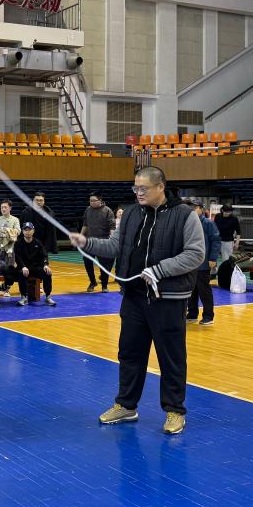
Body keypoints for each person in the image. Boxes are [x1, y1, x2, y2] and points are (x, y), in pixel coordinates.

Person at [70, 166, 204, 435]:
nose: (138, 193)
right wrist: (87, 243)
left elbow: (195, 254)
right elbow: (115, 246)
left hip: (167, 299)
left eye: (144, 188)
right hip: (133, 297)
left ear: (160, 187)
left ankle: (175, 410)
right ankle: (126, 405)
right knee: (130, 354)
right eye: (135, 188)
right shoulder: (130, 214)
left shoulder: (185, 215)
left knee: (171, 358)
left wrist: (159, 270)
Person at [185, 199, 220, 325]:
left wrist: (213, 258)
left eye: (195, 207)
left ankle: (208, 316)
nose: (192, 210)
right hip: (190, 263)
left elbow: (216, 240)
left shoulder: (208, 223)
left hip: (203, 263)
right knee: (191, 290)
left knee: (204, 290)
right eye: (191, 208)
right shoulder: (188, 222)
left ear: (201, 209)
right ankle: (192, 314)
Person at [14, 222, 56, 307]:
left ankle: (48, 297)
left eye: (29, 230)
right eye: (25, 230)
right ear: (22, 231)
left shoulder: (38, 242)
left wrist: (45, 265)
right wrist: (23, 267)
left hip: (36, 268)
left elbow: (44, 255)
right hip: (24, 268)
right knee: (21, 274)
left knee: (47, 273)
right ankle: (24, 297)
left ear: (33, 231)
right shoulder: (18, 243)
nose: (28, 232)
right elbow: (18, 257)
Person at [81, 193, 116, 292]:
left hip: (103, 242)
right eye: (90, 201)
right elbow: (85, 224)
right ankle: (92, 282)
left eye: (94, 200)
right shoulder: (88, 210)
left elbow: (112, 227)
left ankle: (104, 286)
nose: (91, 202)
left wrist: (112, 239)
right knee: (87, 262)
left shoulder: (107, 210)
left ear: (100, 200)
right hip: (89, 242)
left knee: (104, 265)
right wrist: (80, 235)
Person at [0, 200, 20, 293]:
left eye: (5, 207)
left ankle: (6, 287)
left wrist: (6, 231)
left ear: (10, 208)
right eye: (2, 207)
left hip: (10, 249)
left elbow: (18, 231)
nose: (3, 209)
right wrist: (8, 234)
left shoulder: (15, 220)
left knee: (9, 269)